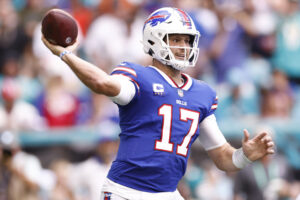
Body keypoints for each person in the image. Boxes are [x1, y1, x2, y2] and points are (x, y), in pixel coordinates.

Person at [41, 7, 275, 200]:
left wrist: (244, 155)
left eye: (187, 40)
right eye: (175, 39)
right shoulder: (139, 77)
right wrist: (66, 54)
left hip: (167, 194)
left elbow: (224, 157)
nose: (183, 47)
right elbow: (102, 83)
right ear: (154, 40)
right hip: (127, 192)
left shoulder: (202, 93)